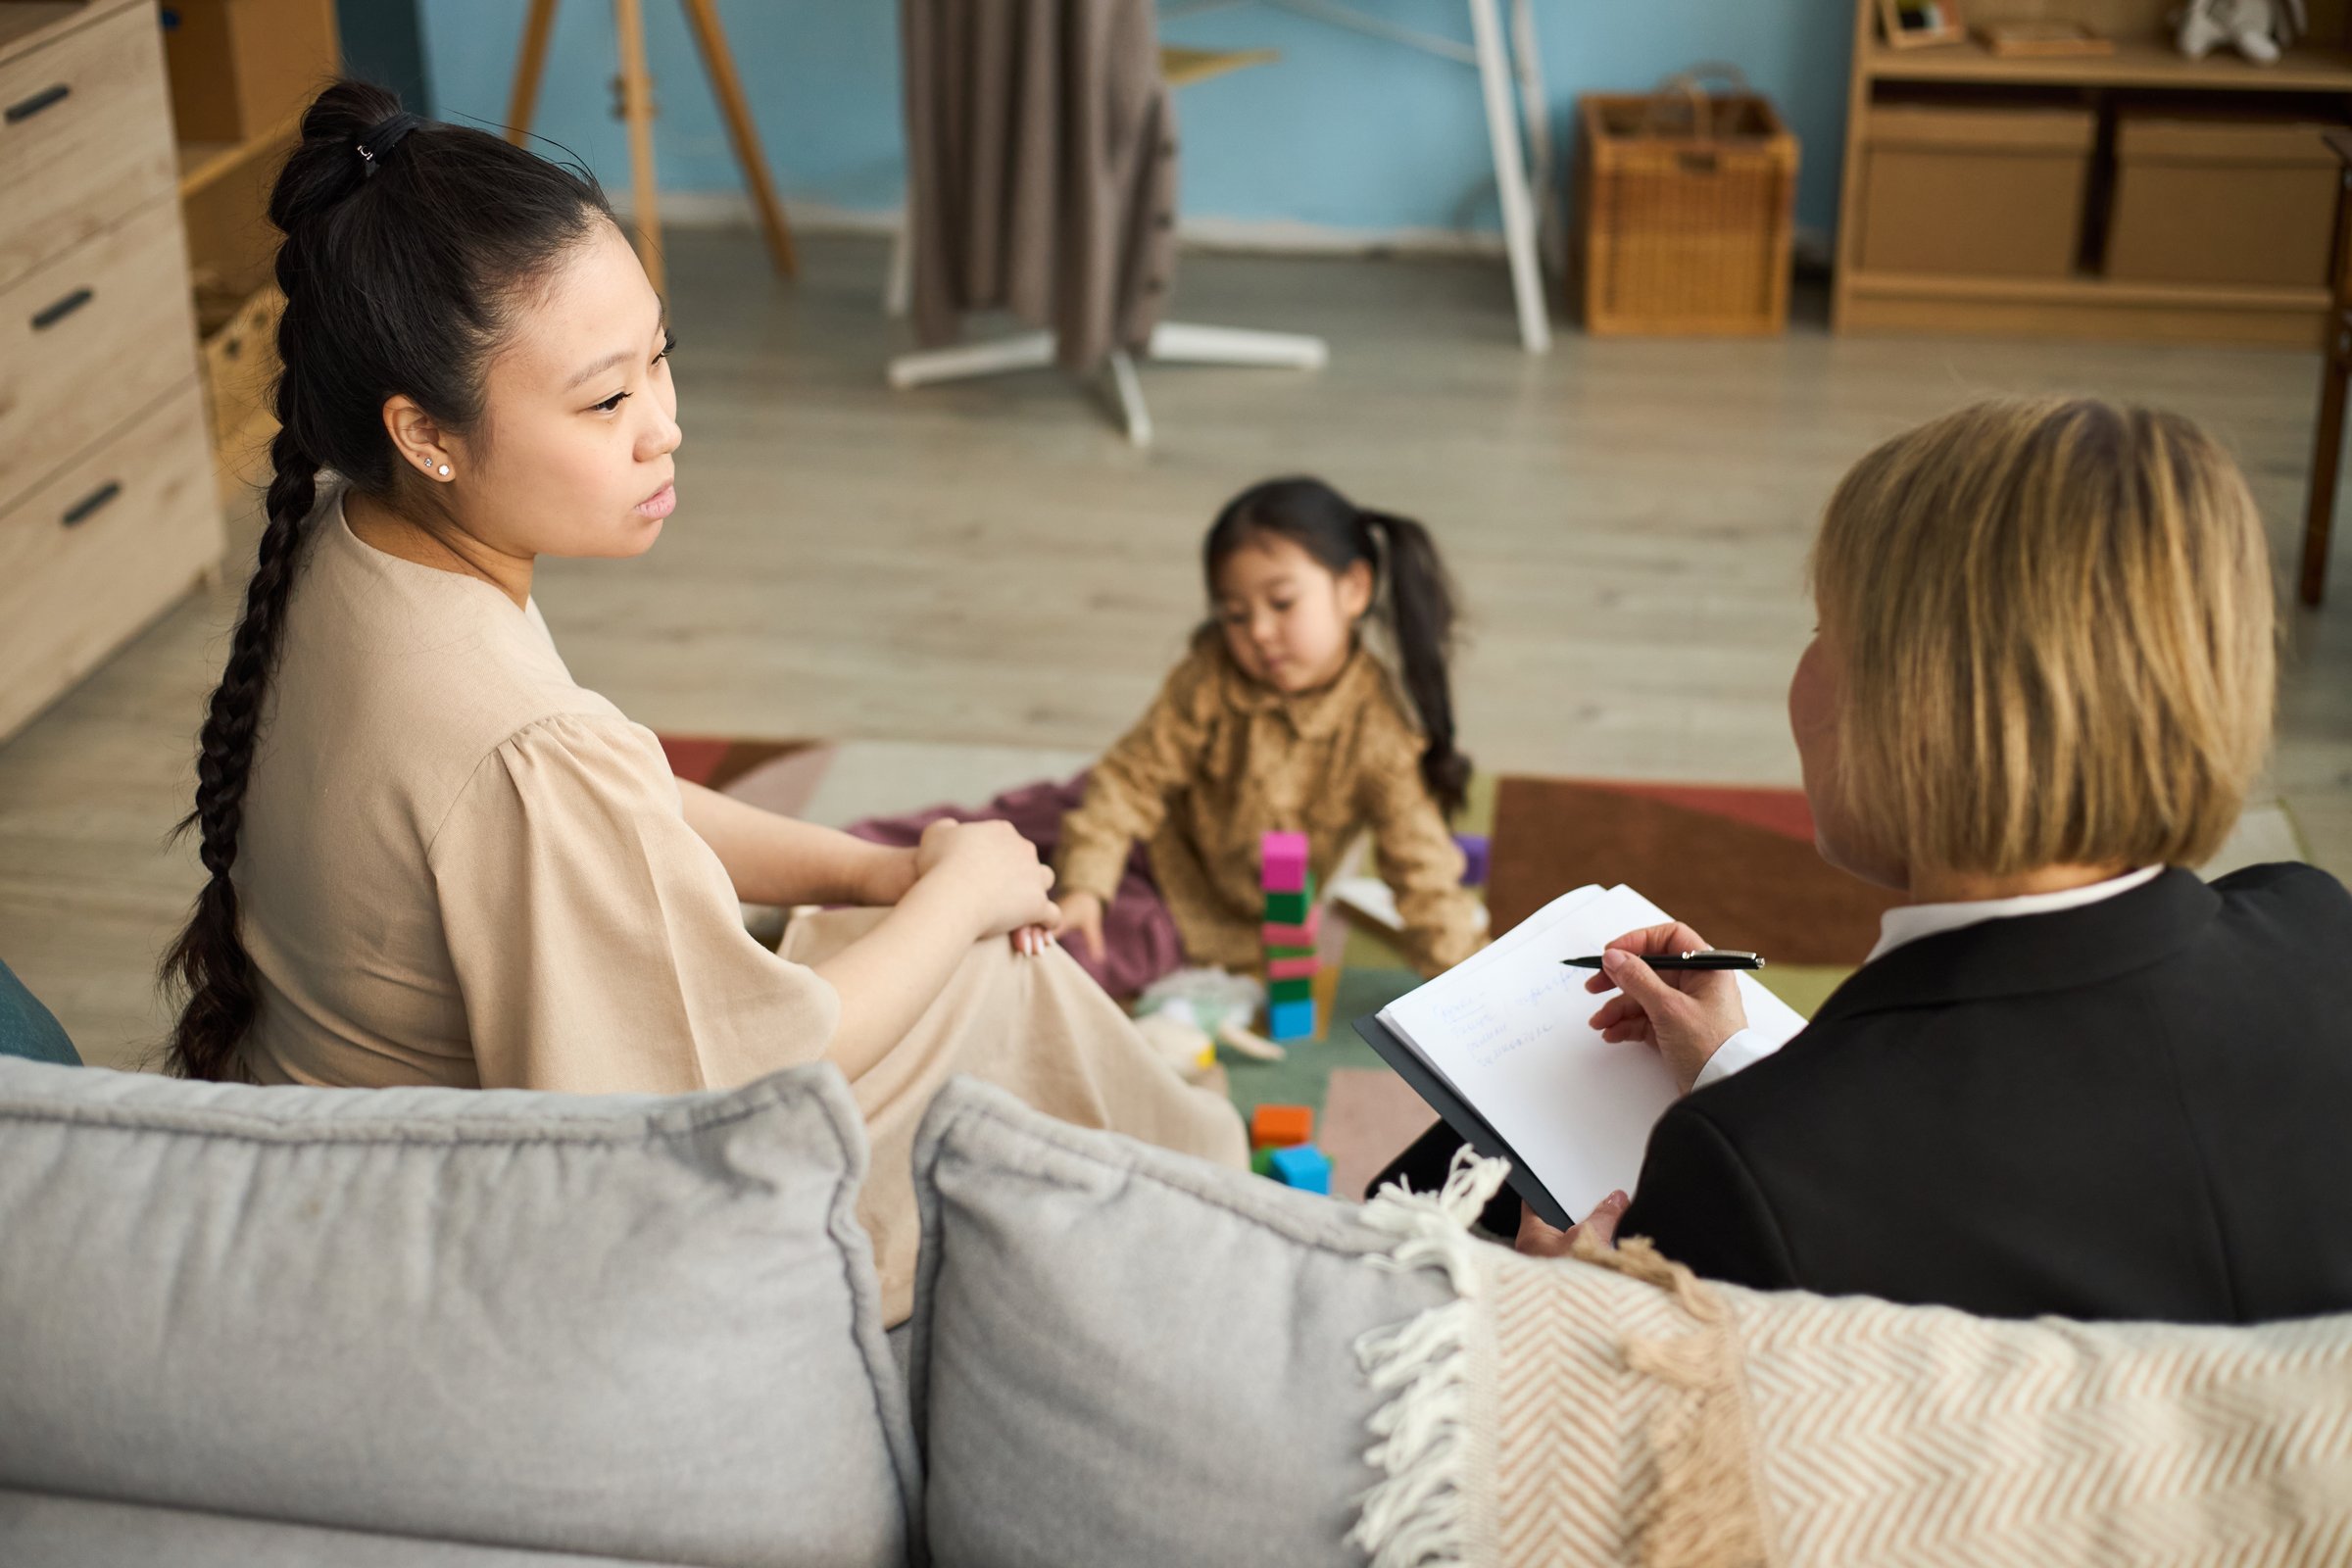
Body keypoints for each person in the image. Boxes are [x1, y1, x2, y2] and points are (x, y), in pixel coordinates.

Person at [159, 82, 1244, 1325]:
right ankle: (1243, 1260)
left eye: (659, 359)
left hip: (348, 1159)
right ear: (430, 434)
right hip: (461, 1238)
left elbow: (613, 796)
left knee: (953, 953)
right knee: (1001, 978)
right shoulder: (517, 739)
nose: (665, 428)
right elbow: (740, 1084)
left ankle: (1219, 1228)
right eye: (606, 400)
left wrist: (875, 874)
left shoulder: (361, 540)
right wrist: (954, 896)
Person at [1522, 397, 2352, 1324]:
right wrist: (1739, 1063)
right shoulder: (2317, 926)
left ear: (1912, 710)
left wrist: (1556, 1319)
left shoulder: (1743, 1176)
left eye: (1820, 633)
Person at [1053, 478, 1486, 990]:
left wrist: (1474, 984)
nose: (1257, 632)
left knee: (1065, 963)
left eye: (1281, 603)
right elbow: (1127, 782)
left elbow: (1425, 874)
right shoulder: (1210, 676)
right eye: (1235, 615)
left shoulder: (1378, 735)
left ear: (1354, 589)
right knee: (982, 842)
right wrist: (1084, 885)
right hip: (1144, 841)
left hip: (1204, 915)